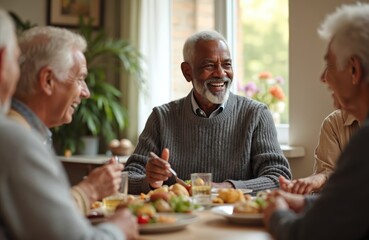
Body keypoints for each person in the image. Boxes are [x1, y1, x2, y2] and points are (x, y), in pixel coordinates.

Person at [0, 10, 138, 239]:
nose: (86, 92)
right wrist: (118, 229)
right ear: (47, 81)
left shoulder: (29, 134)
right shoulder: (16, 140)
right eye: (80, 78)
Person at [124, 30, 291, 195]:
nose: (221, 73)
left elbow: (279, 178)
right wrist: (150, 181)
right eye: (209, 65)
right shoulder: (162, 118)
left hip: (235, 219)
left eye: (227, 64)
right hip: (179, 218)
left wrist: (226, 188)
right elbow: (128, 176)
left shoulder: (256, 115)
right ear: (187, 71)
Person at [264, 3, 369, 239]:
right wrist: (305, 205)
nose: (323, 78)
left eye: (329, 65)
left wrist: (277, 215)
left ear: (354, 69)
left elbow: (308, 234)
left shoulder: (365, 141)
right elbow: (356, 206)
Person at [279, 108, 360, 194]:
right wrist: (318, 179)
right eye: (333, 93)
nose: (333, 96)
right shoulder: (333, 122)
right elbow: (328, 171)